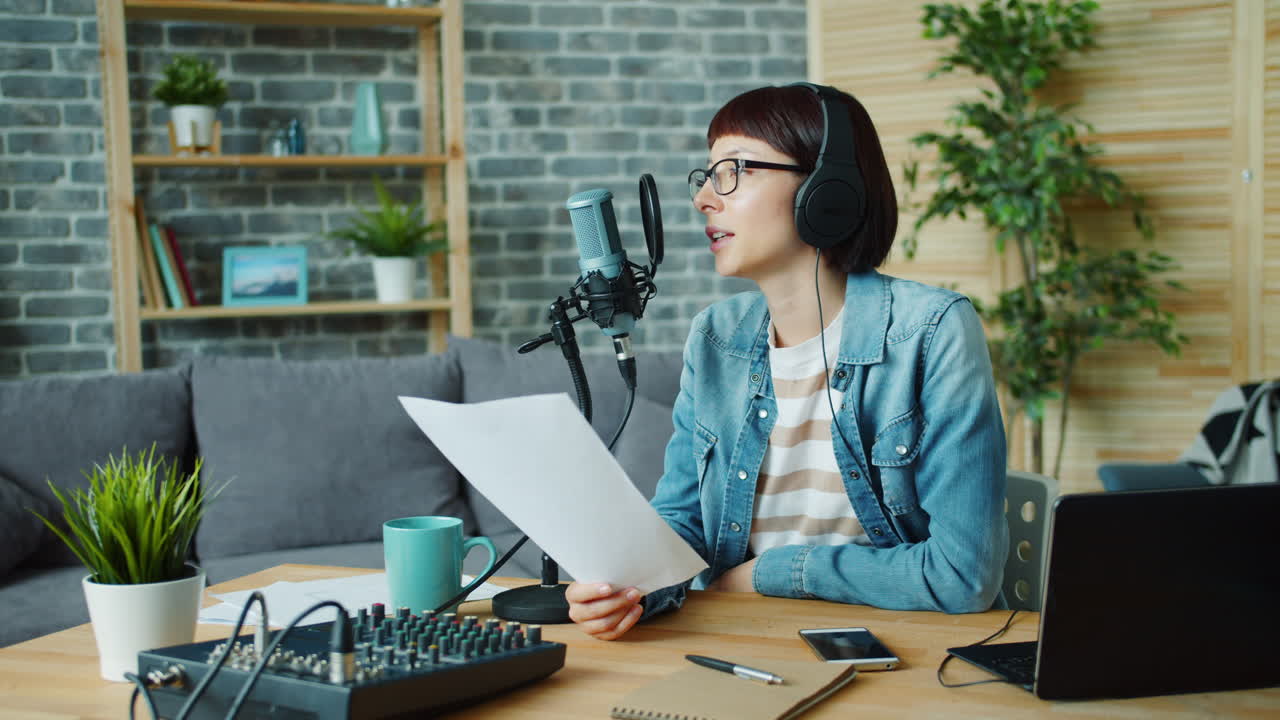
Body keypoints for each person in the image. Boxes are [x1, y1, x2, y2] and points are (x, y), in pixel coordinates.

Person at [566, 84, 1008, 641]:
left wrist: (771, 573)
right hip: (743, 637)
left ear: (827, 193)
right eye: (707, 176)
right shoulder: (716, 338)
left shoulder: (932, 330)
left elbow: (962, 577)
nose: (705, 198)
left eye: (735, 171)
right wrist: (630, 589)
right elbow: (682, 527)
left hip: (901, 646)